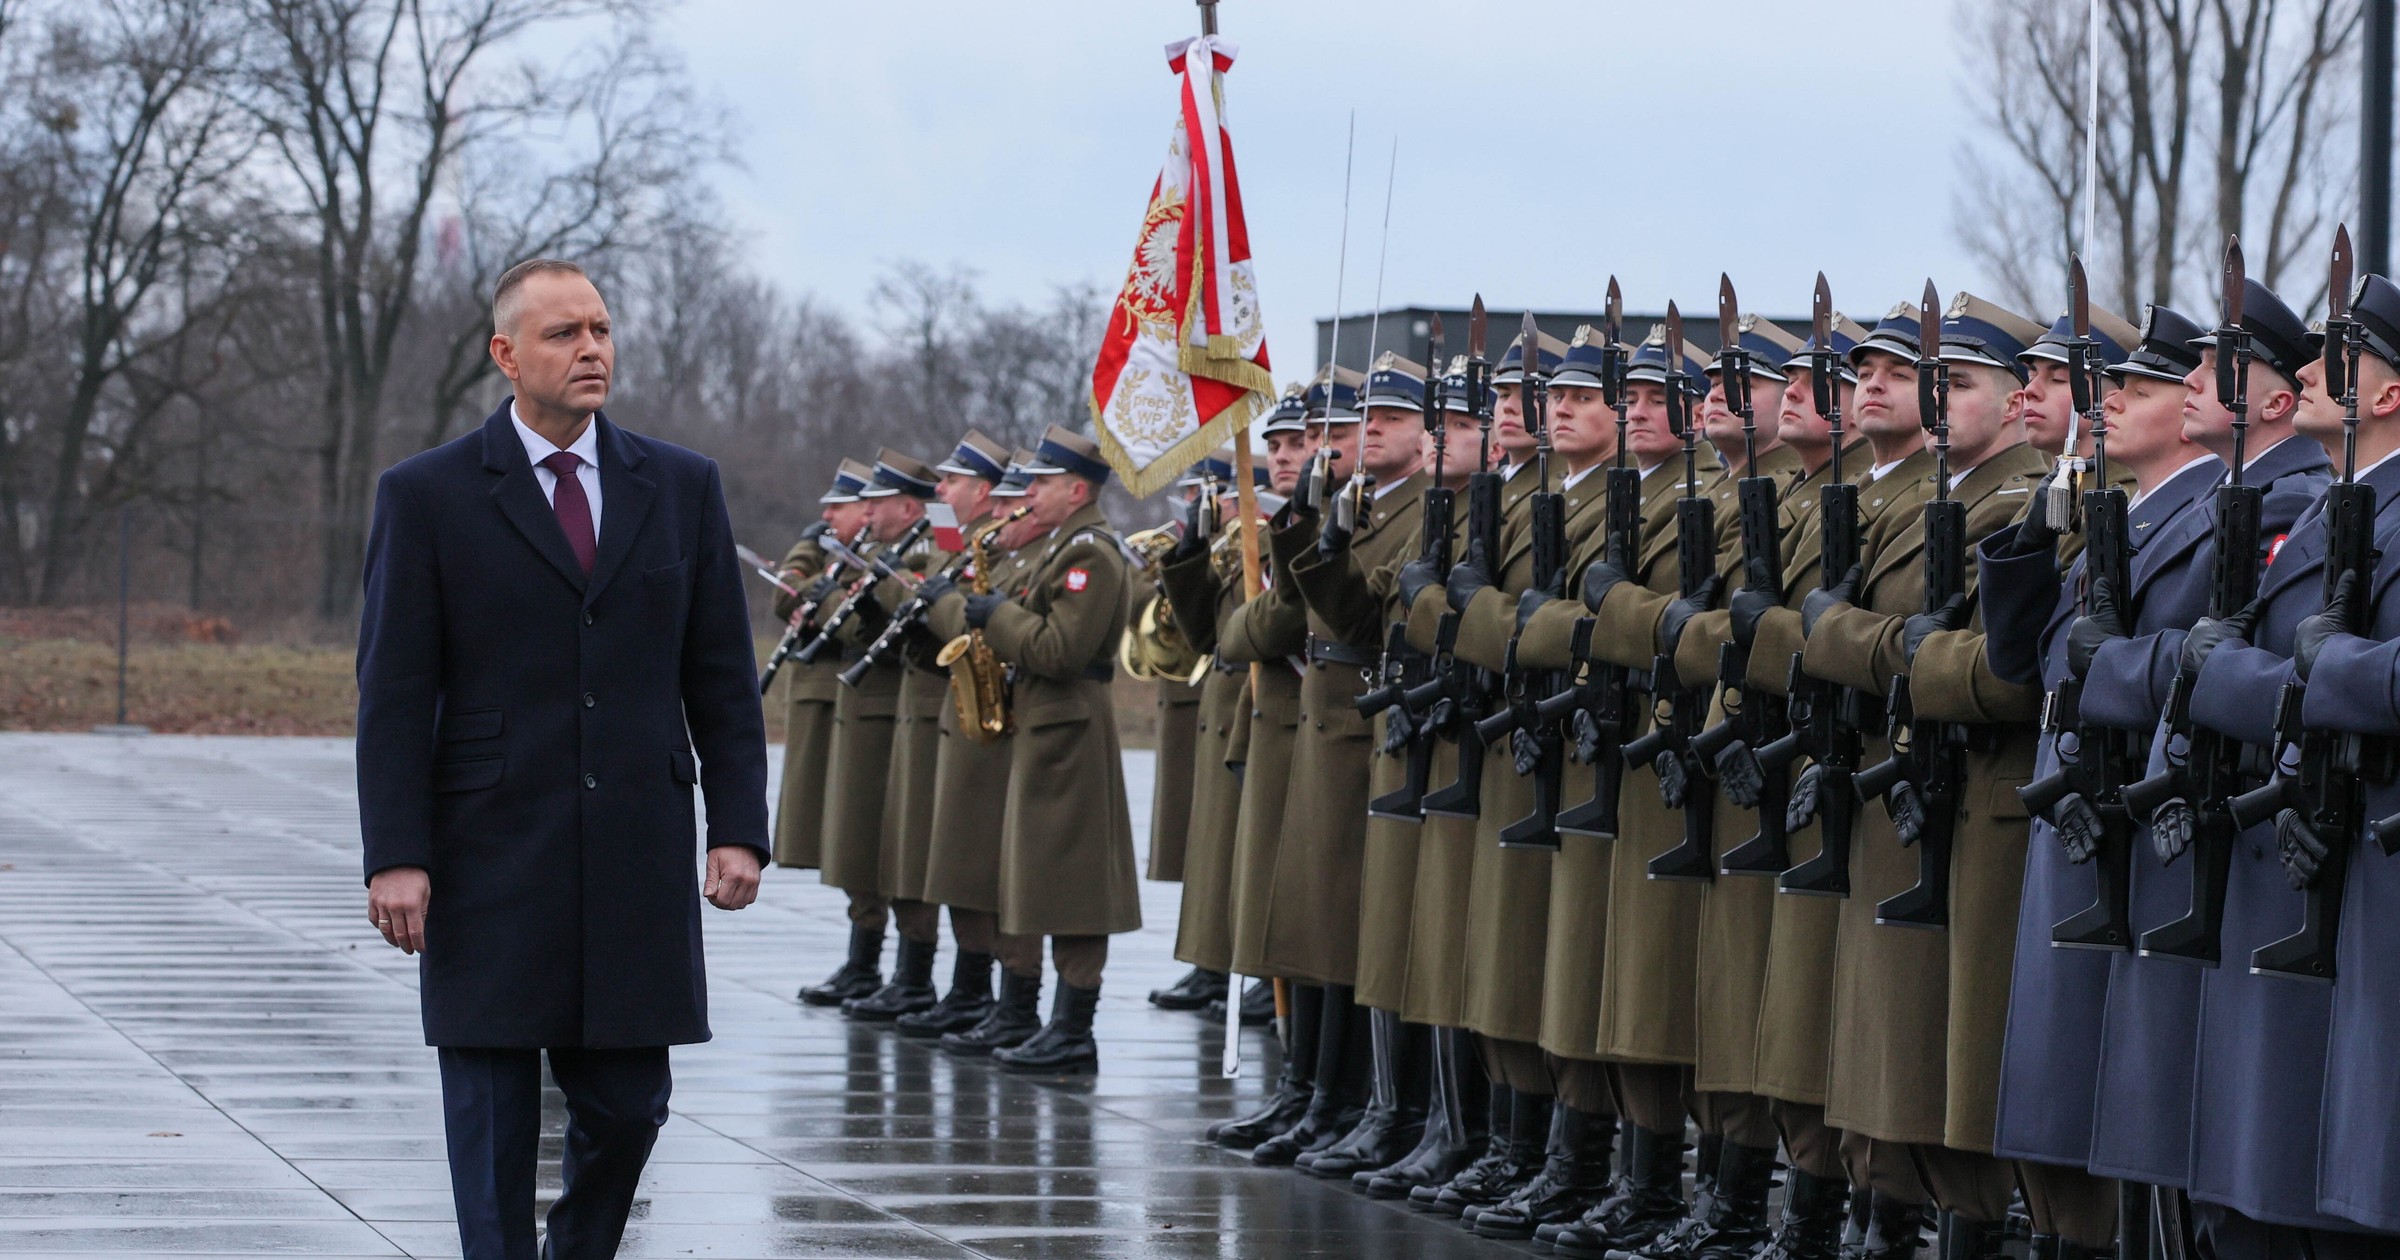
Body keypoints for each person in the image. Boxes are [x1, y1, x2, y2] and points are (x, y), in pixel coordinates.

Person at [356, 256, 767, 1260]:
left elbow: (719, 675)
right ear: (505, 355)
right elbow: (396, 693)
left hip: (633, 847)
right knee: (492, 1130)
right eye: (562, 334)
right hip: (488, 852)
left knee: (631, 1109)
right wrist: (394, 854)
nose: (591, 349)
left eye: (600, 329)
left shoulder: (678, 485)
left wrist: (740, 831)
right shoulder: (428, 495)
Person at [918, 424, 1142, 1074]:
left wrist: (993, 616)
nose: (1028, 494)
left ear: (1076, 490)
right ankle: (1030, 1014)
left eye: (1041, 484)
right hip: (1043, 723)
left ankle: (1073, 1028)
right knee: (1034, 876)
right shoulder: (1066, 546)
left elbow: (1059, 651)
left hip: (1070, 726)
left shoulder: (1091, 553)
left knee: (1074, 886)